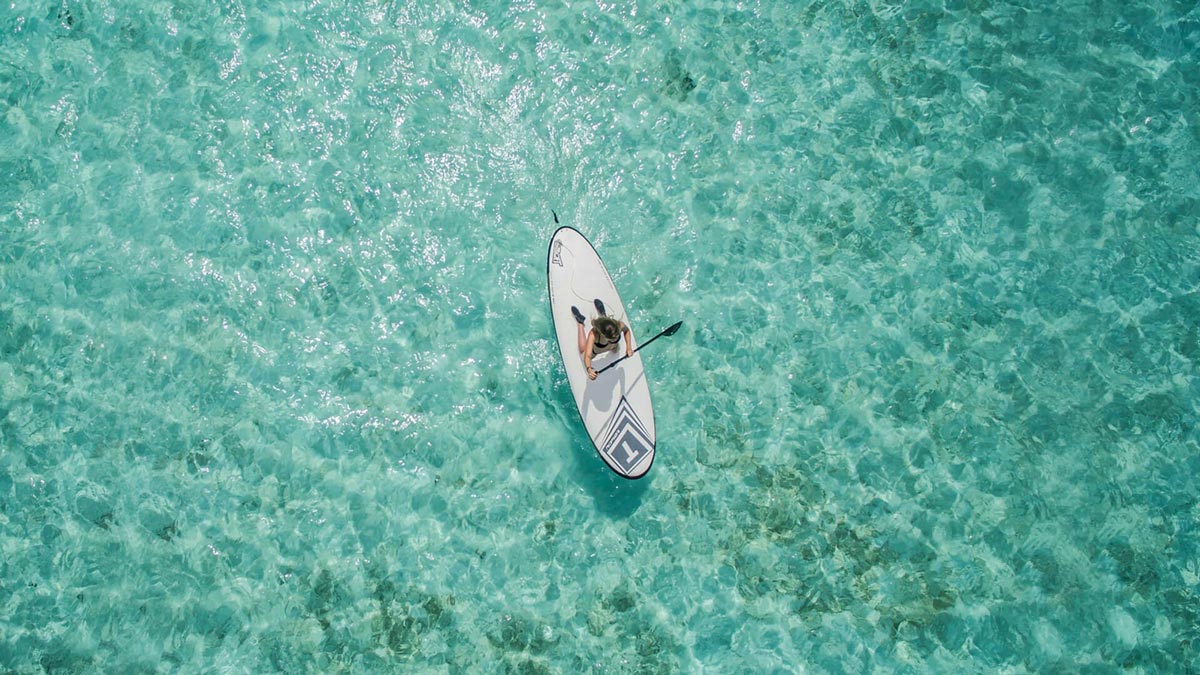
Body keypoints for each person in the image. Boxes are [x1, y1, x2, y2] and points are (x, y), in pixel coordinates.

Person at [571, 299, 633, 380]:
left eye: (616, 336)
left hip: (613, 346)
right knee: (583, 351)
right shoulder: (593, 334)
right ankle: (580, 323)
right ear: (602, 334)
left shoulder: (619, 325)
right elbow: (588, 356)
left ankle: (603, 315)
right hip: (596, 351)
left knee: (615, 350)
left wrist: (629, 347)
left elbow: (627, 331)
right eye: (611, 337)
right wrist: (589, 369)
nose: (615, 337)